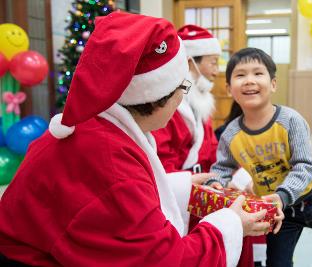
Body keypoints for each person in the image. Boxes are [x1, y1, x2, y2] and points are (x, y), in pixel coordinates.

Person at [0, 12, 270, 267]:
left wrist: (178, 184)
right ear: (157, 94)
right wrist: (232, 224)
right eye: (181, 88)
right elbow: (167, 260)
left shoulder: (97, 124)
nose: (181, 100)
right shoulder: (112, 164)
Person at [206, 47, 312, 266]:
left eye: (258, 73)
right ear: (229, 87)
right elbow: (222, 167)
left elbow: (304, 166)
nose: (249, 80)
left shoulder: (290, 120)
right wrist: (215, 182)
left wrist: (283, 195)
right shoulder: (230, 133)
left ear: (273, 84)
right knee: (277, 263)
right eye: (241, 75)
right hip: (279, 211)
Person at [152, 24, 220, 175]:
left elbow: (212, 147)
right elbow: (162, 157)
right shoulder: (166, 104)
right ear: (190, 63)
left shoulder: (200, 100)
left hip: (202, 182)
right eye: (213, 63)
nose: (216, 71)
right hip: (180, 185)